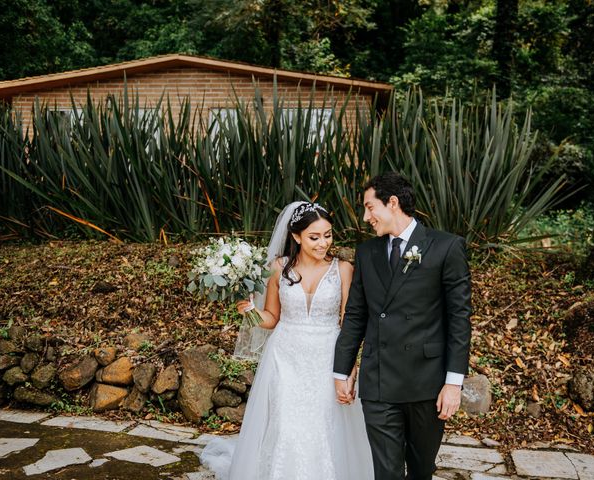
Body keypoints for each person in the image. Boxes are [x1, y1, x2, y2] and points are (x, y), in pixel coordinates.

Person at [200, 201, 374, 480]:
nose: (323, 243)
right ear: (296, 236)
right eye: (314, 237)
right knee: (285, 423)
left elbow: (349, 324)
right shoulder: (279, 268)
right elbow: (270, 318)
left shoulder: (343, 269)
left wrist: (349, 369)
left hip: (327, 356)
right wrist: (250, 312)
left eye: (328, 235)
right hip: (285, 356)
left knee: (324, 426)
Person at [333, 172, 472, 480]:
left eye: (370, 207)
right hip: (379, 380)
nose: (366, 216)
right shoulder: (367, 253)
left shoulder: (446, 247)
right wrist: (341, 370)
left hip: (427, 382)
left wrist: (453, 383)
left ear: (392, 202)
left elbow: (459, 319)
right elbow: (356, 314)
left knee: (421, 470)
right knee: (387, 472)